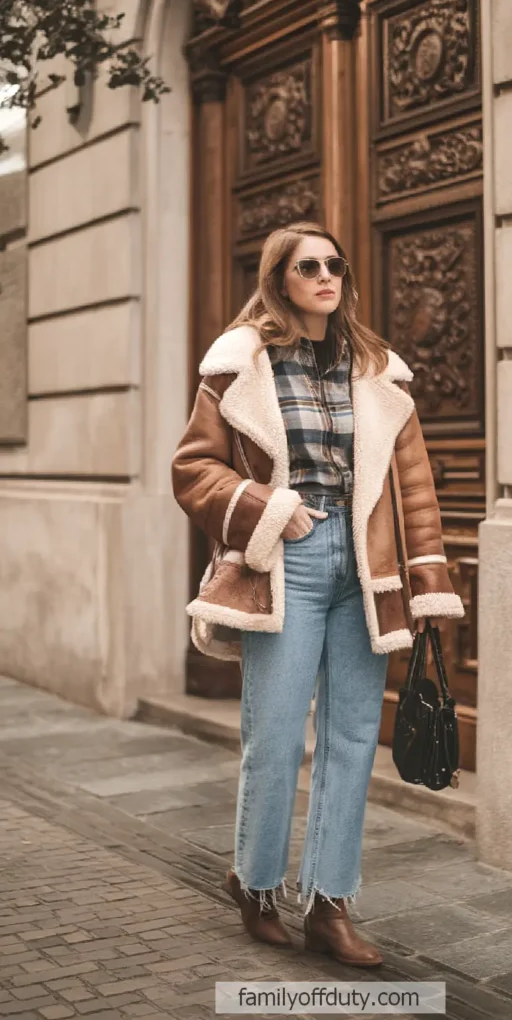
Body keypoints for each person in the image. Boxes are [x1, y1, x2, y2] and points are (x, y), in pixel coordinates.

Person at [171, 221, 464, 968]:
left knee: (350, 741)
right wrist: (272, 511)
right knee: (273, 739)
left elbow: (415, 489)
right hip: (286, 563)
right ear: (280, 279)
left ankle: (329, 905)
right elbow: (193, 470)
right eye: (308, 266)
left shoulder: (377, 371)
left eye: (335, 264)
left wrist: (427, 581)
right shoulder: (240, 367)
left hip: (365, 575)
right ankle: (257, 882)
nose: (326, 276)